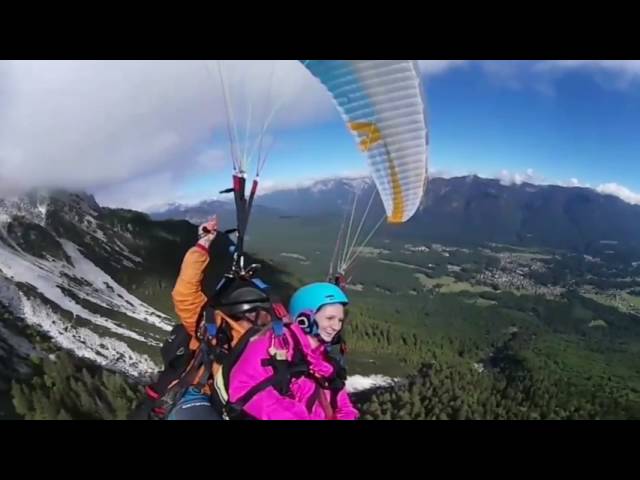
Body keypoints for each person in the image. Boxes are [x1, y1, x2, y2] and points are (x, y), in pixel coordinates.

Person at [227, 282, 359, 420]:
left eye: (340, 320)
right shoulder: (272, 344)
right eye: (330, 318)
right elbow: (243, 388)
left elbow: (342, 403)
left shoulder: (324, 361)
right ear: (305, 318)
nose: (336, 326)